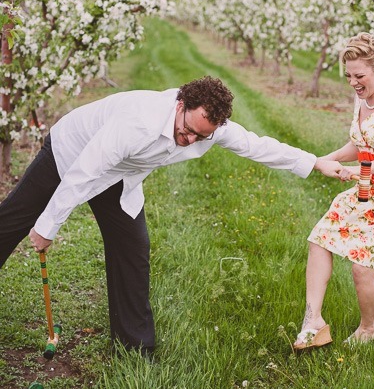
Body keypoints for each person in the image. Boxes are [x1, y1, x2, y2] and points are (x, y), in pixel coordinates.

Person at [0, 76, 342, 357]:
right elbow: (84, 172)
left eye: (201, 137)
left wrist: (314, 162)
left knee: (134, 248)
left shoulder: (211, 126)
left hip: (120, 175)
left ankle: (135, 347)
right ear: (180, 104)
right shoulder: (137, 122)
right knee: (13, 219)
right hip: (71, 152)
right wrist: (47, 226)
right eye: (188, 129)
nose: (189, 140)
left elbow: (257, 145)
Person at [293, 33, 374, 350]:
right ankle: (313, 321)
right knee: (320, 238)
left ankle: (370, 328)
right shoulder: (362, 99)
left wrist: (361, 170)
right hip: (369, 186)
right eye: (349, 76)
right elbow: (361, 143)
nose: (353, 82)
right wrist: (329, 158)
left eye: (360, 75)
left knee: (361, 265)